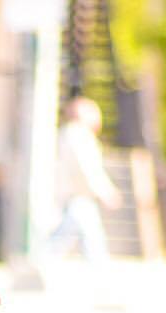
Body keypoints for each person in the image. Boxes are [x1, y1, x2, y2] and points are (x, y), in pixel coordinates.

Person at [50, 96, 122, 266]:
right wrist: (105, 191)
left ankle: (100, 270)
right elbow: (87, 169)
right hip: (78, 194)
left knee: (86, 237)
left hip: (76, 195)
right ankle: (38, 265)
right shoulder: (78, 134)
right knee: (71, 238)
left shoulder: (69, 133)